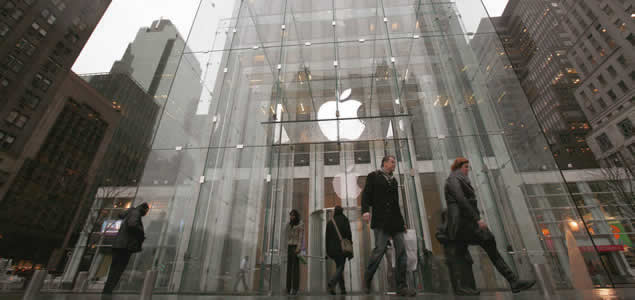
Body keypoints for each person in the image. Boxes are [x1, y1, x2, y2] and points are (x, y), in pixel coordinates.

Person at [444, 157, 535, 294]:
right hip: (464, 223)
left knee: (464, 254)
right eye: (466, 167)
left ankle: (463, 287)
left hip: (464, 223)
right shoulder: (454, 179)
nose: (468, 170)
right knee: (487, 244)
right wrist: (477, 219)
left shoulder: (457, 179)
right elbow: (461, 200)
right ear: (459, 167)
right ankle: (512, 281)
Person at [361, 155, 416, 297]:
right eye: (392, 162)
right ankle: (367, 280)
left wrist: (402, 222)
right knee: (379, 251)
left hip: (395, 222)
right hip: (381, 220)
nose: (394, 165)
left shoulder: (394, 180)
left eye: (395, 163)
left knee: (401, 252)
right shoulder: (373, 176)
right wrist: (366, 211)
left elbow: (396, 203)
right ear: (384, 163)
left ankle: (401, 286)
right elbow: (366, 195)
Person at [103, 202, 149, 294]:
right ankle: (108, 291)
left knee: (114, 270)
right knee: (118, 270)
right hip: (125, 246)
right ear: (144, 209)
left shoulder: (131, 213)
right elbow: (133, 225)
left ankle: (107, 290)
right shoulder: (136, 213)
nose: (146, 213)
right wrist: (141, 233)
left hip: (120, 245)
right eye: (147, 211)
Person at [436, 209, 478, 296]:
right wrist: (451, 238)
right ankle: (460, 288)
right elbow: (440, 237)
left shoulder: (458, 225)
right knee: (456, 271)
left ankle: (470, 288)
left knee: (467, 271)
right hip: (452, 253)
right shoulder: (442, 227)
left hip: (462, 252)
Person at [325, 205, 353, 295]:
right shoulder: (345, 220)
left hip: (332, 249)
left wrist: (327, 250)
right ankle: (332, 282)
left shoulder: (330, 222)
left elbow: (327, 238)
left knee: (339, 267)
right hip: (342, 248)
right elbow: (348, 234)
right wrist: (350, 244)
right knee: (341, 267)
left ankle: (341, 289)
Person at [286, 209, 304, 295]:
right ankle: (288, 287)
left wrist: (299, 247)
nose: (291, 217)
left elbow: (301, 237)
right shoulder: (289, 224)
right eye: (290, 215)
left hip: (296, 246)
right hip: (289, 246)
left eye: (293, 215)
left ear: (296, 216)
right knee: (289, 268)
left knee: (295, 268)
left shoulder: (300, 224)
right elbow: (287, 236)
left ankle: (295, 288)